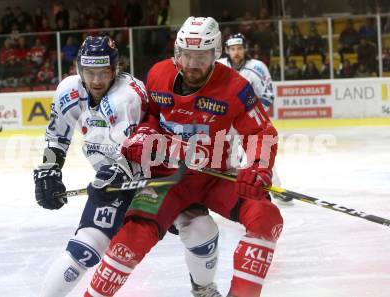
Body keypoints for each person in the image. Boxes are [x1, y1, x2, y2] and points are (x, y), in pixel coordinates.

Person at [85, 17, 283, 297]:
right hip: (168, 180)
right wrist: (142, 136)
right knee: (133, 235)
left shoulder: (236, 87)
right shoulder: (158, 75)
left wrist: (258, 167)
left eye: (201, 56)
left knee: (267, 216)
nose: (192, 63)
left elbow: (261, 131)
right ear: (177, 52)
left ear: (216, 53)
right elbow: (150, 116)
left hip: (216, 178)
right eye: (187, 55)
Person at [33, 35, 222, 297]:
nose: (96, 80)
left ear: (115, 69)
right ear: (79, 70)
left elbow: (133, 153)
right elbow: (57, 135)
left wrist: (114, 175)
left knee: (201, 229)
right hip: (115, 175)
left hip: (159, 173)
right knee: (85, 247)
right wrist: (49, 169)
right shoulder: (69, 90)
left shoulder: (127, 96)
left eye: (104, 72)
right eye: (89, 72)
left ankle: (203, 288)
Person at [217, 33, 290, 204]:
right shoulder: (218, 66)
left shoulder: (257, 67)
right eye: (233, 49)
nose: (236, 52)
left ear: (245, 49)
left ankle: (270, 187)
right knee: (227, 157)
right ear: (227, 50)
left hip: (249, 122)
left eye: (239, 48)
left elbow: (268, 94)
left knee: (259, 153)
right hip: (225, 122)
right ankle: (234, 192)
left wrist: (252, 114)